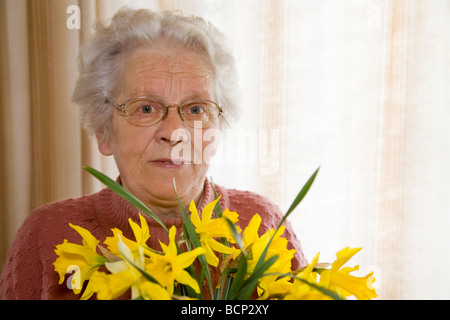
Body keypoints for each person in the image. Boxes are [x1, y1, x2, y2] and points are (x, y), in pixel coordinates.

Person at [0, 7, 307, 300]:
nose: (174, 133)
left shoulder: (264, 225)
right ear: (102, 132)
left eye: (196, 109)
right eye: (146, 108)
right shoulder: (48, 235)